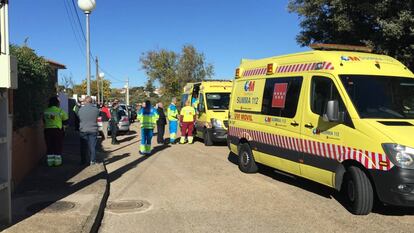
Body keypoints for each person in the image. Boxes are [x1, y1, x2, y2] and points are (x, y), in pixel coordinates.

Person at [44, 96, 69, 167]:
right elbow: (66, 122)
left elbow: (44, 120)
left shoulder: (46, 111)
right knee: (58, 145)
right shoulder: (61, 111)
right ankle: (57, 162)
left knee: (49, 146)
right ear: (57, 103)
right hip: (57, 131)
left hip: (47, 130)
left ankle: (50, 162)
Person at [78, 96, 100, 165]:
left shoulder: (80, 109)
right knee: (92, 146)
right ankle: (92, 161)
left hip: (83, 130)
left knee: (83, 147)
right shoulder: (96, 110)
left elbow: (79, 118)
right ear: (92, 102)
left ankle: (83, 161)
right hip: (93, 130)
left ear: (85, 101)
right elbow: (97, 117)